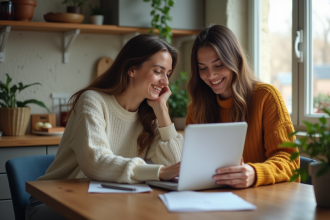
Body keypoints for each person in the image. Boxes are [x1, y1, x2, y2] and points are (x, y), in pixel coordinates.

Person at [26, 34, 183, 220]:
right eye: (158, 71)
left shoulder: (150, 115)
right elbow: (96, 162)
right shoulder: (93, 101)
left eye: (168, 74)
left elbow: (176, 165)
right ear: (132, 69)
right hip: (55, 201)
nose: (165, 82)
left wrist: (162, 111)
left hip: (108, 200)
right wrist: (160, 172)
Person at [186, 24, 299, 188]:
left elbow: (290, 161)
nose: (210, 75)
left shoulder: (266, 96)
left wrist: (254, 173)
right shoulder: (196, 108)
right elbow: (193, 164)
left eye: (218, 65)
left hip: (266, 200)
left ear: (235, 61)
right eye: (203, 68)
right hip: (216, 198)